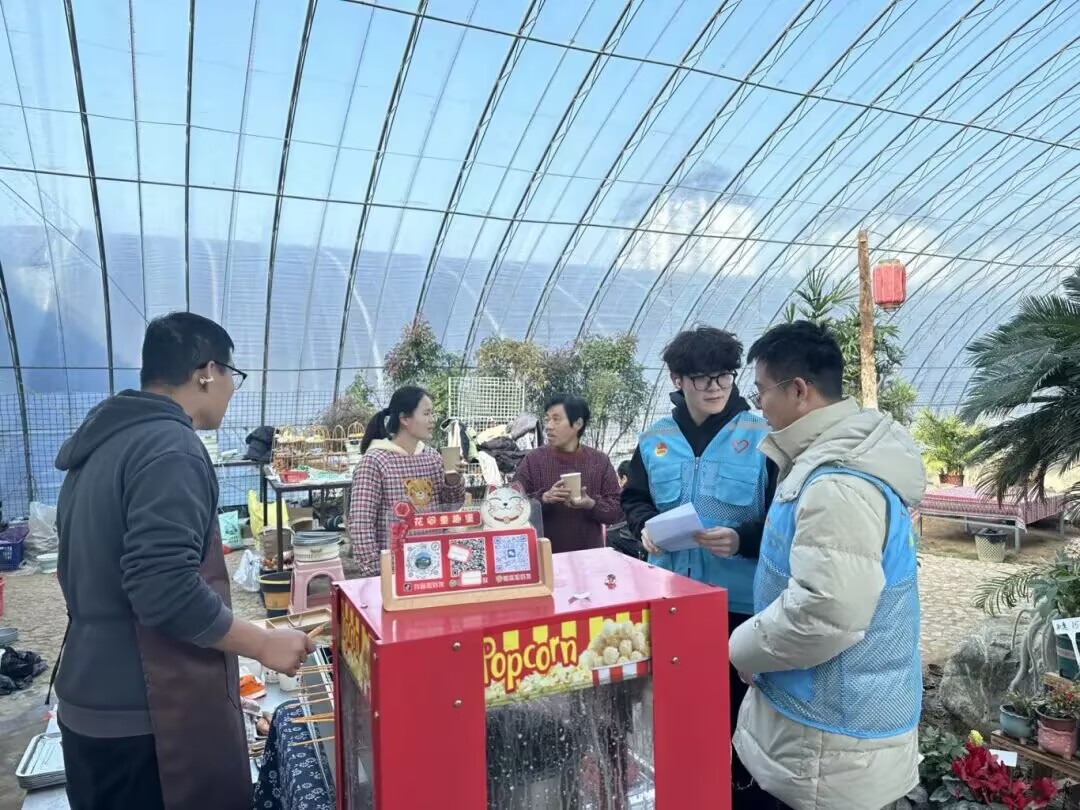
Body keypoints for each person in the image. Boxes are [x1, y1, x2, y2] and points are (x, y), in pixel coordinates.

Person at [53, 312, 315, 810]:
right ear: (207, 372)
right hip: (149, 719)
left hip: (90, 701)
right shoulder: (171, 447)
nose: (232, 389)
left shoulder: (101, 446)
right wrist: (262, 642)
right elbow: (163, 588)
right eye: (233, 375)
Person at [729, 321, 925, 810]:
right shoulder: (828, 460)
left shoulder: (838, 484)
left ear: (798, 390)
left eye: (761, 392)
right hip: (825, 731)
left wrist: (742, 650)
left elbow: (825, 613)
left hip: (831, 744)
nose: (759, 406)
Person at [620, 325, 777, 806]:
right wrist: (644, 526)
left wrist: (743, 538)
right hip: (671, 601)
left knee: (741, 717)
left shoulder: (762, 437)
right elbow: (634, 497)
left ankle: (742, 795)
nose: (715, 387)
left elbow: (784, 518)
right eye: (702, 378)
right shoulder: (655, 439)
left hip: (740, 608)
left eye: (724, 375)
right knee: (680, 713)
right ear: (677, 379)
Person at [348, 386, 466, 576]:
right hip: (394, 569)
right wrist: (377, 571)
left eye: (432, 413)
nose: (433, 419)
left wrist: (452, 480)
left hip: (434, 564)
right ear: (404, 419)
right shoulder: (375, 462)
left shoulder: (433, 458)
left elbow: (451, 508)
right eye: (426, 413)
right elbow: (361, 524)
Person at [513, 395, 622, 553]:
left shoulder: (599, 461)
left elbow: (617, 511)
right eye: (547, 419)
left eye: (556, 420)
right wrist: (544, 499)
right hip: (544, 557)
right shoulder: (533, 460)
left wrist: (591, 504)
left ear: (578, 423)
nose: (548, 426)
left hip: (589, 557)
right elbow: (512, 506)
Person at [606, 461, 646, 560]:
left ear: (624, 478)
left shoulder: (623, 496)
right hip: (646, 539)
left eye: (618, 478)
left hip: (637, 543)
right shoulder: (647, 490)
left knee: (609, 536)